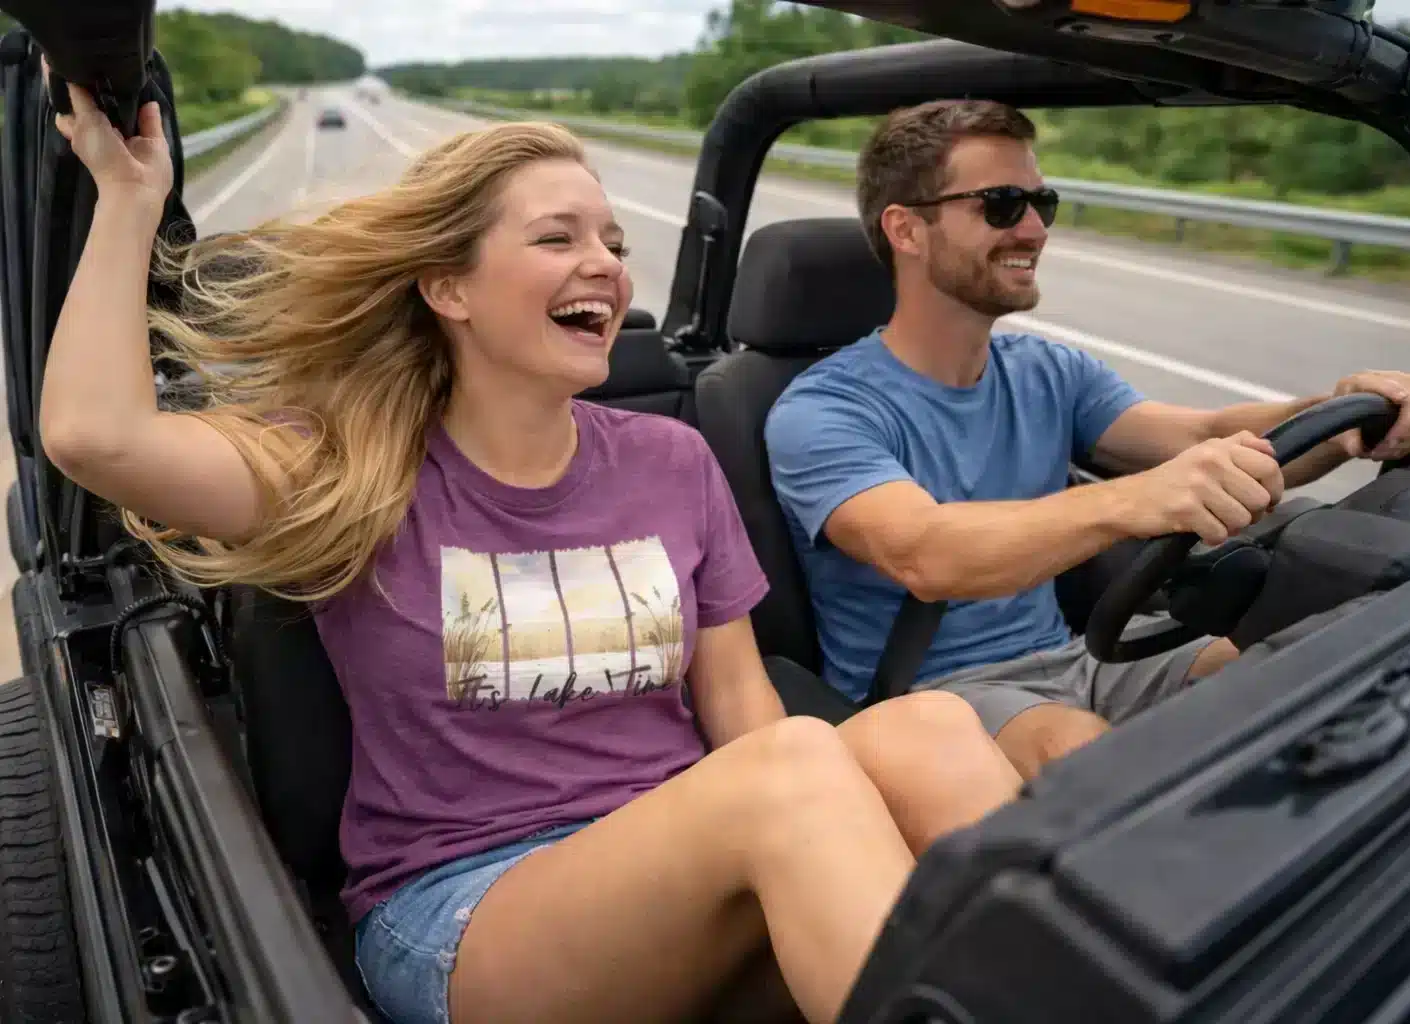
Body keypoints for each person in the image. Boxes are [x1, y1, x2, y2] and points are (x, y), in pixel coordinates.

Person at [39, 81, 1027, 1024]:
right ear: (448, 286)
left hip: (691, 857)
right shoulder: (348, 463)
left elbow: (740, 707)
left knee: (930, 729)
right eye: (556, 238)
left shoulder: (672, 460)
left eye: (612, 240)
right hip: (467, 908)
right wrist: (130, 199)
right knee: (796, 775)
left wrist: (821, 833)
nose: (603, 261)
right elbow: (96, 436)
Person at [764, 98, 1410, 783]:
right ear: (907, 230)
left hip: (1078, 659)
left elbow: (1201, 435)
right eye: (1001, 205)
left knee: (1304, 674)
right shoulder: (824, 409)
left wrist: (1344, 418)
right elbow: (926, 553)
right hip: (934, 698)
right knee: (1092, 759)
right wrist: (1137, 501)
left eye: (1041, 202)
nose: (1033, 228)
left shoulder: (1047, 370)